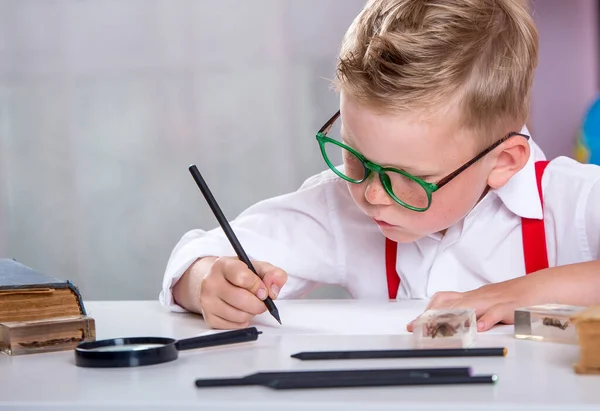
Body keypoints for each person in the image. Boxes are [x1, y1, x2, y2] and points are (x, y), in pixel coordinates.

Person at [160, 0, 600, 331]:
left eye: (409, 179)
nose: (370, 194)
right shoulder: (340, 209)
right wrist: (206, 283)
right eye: (355, 157)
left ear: (503, 161)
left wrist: (519, 294)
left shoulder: (573, 201)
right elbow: (196, 255)